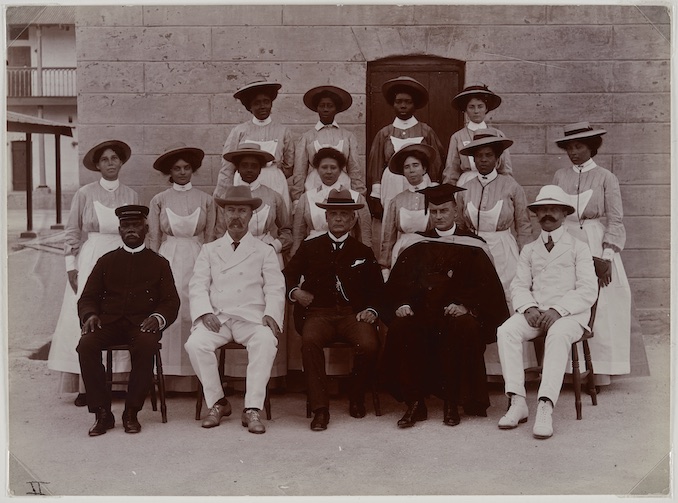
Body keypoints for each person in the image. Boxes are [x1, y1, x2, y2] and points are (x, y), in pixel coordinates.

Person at [383, 184, 509, 428]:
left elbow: (487, 288)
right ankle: (415, 402)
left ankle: (453, 401)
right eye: (434, 211)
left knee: (463, 327)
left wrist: (467, 306)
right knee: (402, 327)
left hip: (455, 314)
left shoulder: (474, 245)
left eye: (443, 211)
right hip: (421, 313)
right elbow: (399, 285)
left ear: (455, 212)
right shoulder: (417, 244)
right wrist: (403, 304)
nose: (438, 216)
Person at [496, 185, 597, 439]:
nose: (547, 214)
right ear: (536, 214)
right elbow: (518, 285)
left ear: (564, 213)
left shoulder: (578, 247)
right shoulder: (529, 249)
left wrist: (558, 310)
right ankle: (517, 401)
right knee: (506, 330)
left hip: (569, 315)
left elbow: (588, 289)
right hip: (536, 313)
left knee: (557, 334)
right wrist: (528, 307)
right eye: (542, 210)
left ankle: (545, 405)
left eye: (553, 209)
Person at [185, 186, 285, 434]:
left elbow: (275, 286)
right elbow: (197, 284)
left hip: (251, 318)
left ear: (251, 215)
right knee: (195, 344)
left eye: (242, 210)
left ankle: (252, 408)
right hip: (217, 318)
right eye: (231, 210)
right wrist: (204, 312)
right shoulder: (209, 250)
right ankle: (219, 403)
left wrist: (271, 314)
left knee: (264, 341)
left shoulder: (264, 250)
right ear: (223, 214)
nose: (236, 216)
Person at [48, 140, 139, 407]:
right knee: (89, 314)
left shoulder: (131, 195)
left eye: (114, 158)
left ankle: (120, 378)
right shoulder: (85, 194)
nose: (110, 163)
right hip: (91, 256)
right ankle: (88, 384)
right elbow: (72, 231)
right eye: (105, 160)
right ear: (97, 166)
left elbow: (137, 229)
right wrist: (71, 266)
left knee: (120, 312)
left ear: (121, 162)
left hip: (123, 257)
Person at [284, 189, 384, 431]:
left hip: (353, 314)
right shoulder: (310, 247)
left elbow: (378, 290)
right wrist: (296, 292)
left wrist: (371, 309)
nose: (339, 218)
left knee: (369, 345)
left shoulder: (362, 251)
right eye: (334, 214)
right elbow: (287, 275)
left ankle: (357, 396)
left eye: (345, 214)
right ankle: (320, 408)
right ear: (326, 218)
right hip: (319, 313)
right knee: (309, 343)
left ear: (353, 220)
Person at [76, 205, 180, 436]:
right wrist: (90, 315)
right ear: (120, 230)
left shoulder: (158, 263)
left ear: (146, 228)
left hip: (142, 325)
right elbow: (88, 297)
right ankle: (102, 412)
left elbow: (171, 301)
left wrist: (157, 317)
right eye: (126, 226)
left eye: (136, 225)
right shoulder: (106, 261)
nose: (131, 230)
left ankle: (131, 412)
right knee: (86, 345)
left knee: (146, 344)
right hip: (109, 323)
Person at [552, 121, 639, 383]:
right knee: (565, 296)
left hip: (594, 239)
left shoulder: (605, 177)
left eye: (579, 146)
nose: (573, 152)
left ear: (591, 147)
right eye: (569, 147)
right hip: (565, 239)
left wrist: (606, 255)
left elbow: (615, 219)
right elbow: (552, 211)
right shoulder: (560, 176)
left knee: (602, 303)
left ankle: (599, 370)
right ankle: (567, 370)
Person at [219, 142, 292, 381]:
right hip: (236, 258)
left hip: (266, 256)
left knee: (266, 309)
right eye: (244, 166)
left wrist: (273, 246)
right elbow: (219, 232)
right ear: (237, 168)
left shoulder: (273, 196)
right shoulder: (227, 196)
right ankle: (234, 377)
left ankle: (271, 377)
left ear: (261, 169)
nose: (249, 170)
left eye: (254, 165)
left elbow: (288, 231)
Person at [147, 144, 216, 392]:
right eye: (177, 169)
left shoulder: (206, 200)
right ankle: (167, 378)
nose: (183, 172)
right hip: (170, 256)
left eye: (187, 168)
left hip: (198, 255)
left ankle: (196, 379)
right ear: (170, 172)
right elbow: (154, 238)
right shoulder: (159, 200)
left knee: (194, 309)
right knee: (170, 307)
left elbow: (210, 236)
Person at [366, 76, 445, 220]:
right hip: (392, 183)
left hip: (421, 181)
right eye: (399, 102)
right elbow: (376, 162)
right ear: (393, 104)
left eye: (408, 102)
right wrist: (376, 190)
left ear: (415, 105)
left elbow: (436, 160)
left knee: (420, 215)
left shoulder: (425, 131)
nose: (403, 106)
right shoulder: (385, 133)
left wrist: (434, 185)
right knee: (393, 217)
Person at [214, 80, 294, 213]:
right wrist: (222, 193)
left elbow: (289, 165)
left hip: (274, 182)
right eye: (257, 103)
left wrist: (273, 174)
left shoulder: (283, 131)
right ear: (249, 107)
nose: (262, 106)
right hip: (244, 183)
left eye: (266, 102)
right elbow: (227, 167)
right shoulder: (239, 131)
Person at [291, 85, 365, 202]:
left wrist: (359, 195)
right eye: (322, 106)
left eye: (330, 106)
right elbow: (300, 171)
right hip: (314, 185)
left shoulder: (347, 136)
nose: (325, 109)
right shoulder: (307, 137)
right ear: (317, 108)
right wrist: (297, 198)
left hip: (342, 185)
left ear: (336, 109)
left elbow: (355, 169)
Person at [291, 147, 371, 255]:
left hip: (346, 250)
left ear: (340, 170)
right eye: (324, 167)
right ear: (317, 169)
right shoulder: (307, 198)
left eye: (333, 167)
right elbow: (298, 235)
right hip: (314, 251)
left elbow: (365, 236)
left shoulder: (356, 197)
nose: (329, 172)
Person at [379, 143, 437, 277]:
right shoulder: (397, 201)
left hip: (430, 252)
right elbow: (389, 236)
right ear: (403, 172)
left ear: (424, 169)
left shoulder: (435, 197)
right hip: (402, 252)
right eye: (407, 167)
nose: (411, 170)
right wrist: (385, 266)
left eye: (415, 165)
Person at [443, 83, 512, 187]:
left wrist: (508, 188)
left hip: (494, 183)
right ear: (465, 110)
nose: (476, 111)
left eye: (480, 106)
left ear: (486, 108)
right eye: (471, 107)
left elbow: (505, 169)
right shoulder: (458, 137)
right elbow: (452, 170)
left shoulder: (498, 135)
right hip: (467, 183)